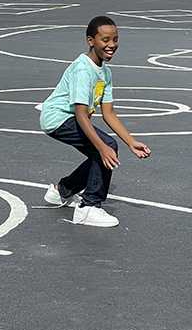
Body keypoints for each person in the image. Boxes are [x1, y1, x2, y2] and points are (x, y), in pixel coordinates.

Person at [40, 16, 151, 227]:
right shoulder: (83, 70)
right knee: (106, 147)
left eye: (115, 40)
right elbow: (81, 115)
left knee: (102, 151)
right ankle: (88, 207)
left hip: (69, 117)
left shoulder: (105, 72)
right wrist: (101, 146)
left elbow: (108, 113)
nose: (112, 45)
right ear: (90, 41)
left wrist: (131, 142)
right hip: (58, 117)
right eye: (105, 40)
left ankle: (61, 191)